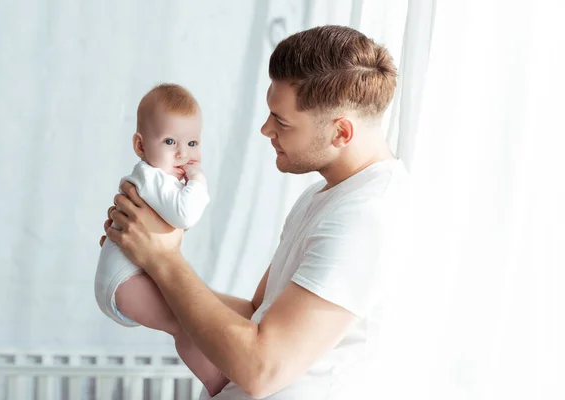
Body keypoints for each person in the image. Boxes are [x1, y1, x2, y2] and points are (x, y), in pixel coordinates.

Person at [101, 25, 410, 399]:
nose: (265, 129)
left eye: (281, 121)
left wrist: (163, 259)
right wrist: (143, 262)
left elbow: (262, 370)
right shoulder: (323, 196)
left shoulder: (365, 217)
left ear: (341, 133)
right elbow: (254, 313)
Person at [95, 83, 229, 396]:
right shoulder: (151, 176)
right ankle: (219, 384)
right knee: (186, 322)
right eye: (170, 141)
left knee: (191, 316)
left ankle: (220, 379)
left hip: (131, 278)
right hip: (124, 282)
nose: (183, 153)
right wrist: (198, 179)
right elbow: (185, 215)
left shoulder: (160, 179)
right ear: (141, 146)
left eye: (192, 142)